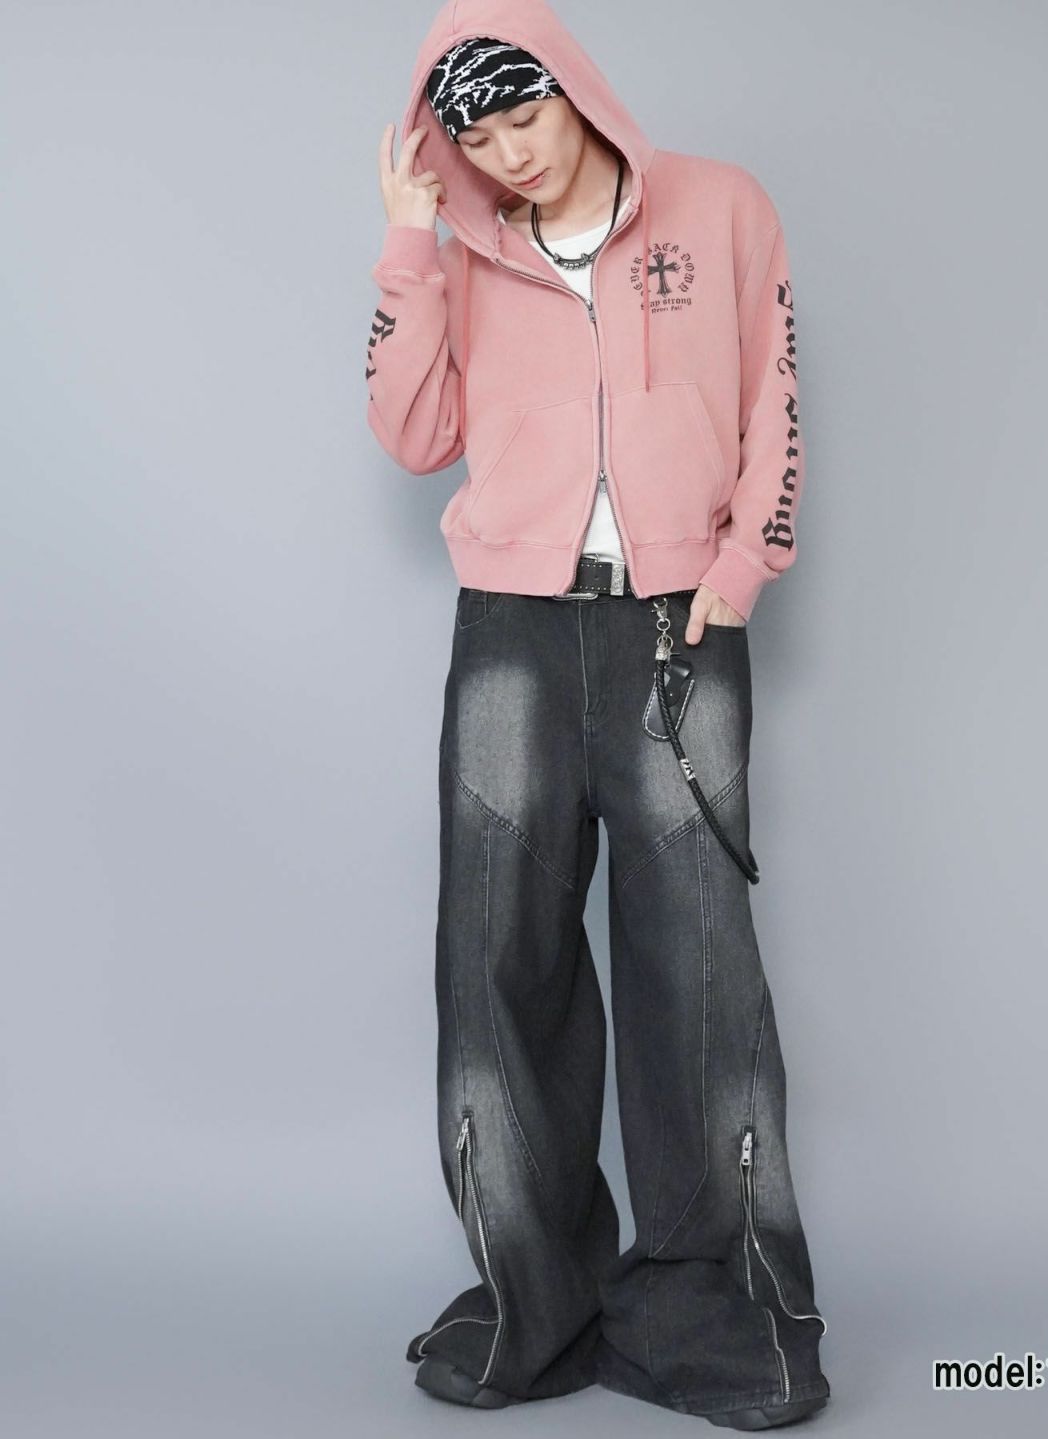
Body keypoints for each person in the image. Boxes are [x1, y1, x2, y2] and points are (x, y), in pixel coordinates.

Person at [365, 0, 829, 1428]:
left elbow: (777, 392)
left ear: (575, 90)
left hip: (681, 627)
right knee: (497, 957)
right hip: (511, 628)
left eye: (528, 114)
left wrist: (744, 566)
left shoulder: (722, 207)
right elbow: (411, 433)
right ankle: (537, 1295)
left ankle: (714, 1316)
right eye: (480, 133)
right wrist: (410, 243)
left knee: (697, 968)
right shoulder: (466, 249)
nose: (511, 151)